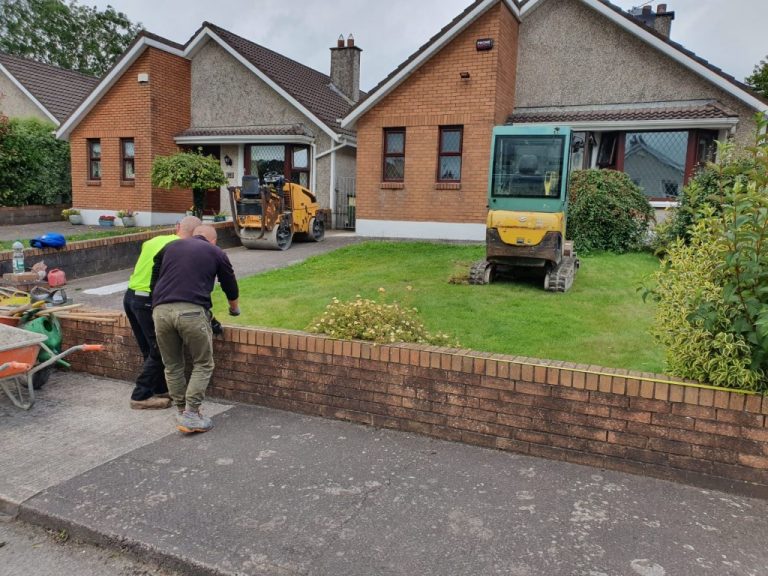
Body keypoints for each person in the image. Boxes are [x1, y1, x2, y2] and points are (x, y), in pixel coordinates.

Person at [150, 224, 240, 433]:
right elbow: (229, 283)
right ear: (213, 240)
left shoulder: (171, 246)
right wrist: (234, 309)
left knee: (172, 365)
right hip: (191, 312)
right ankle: (191, 413)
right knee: (203, 363)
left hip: (160, 311)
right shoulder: (216, 251)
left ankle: (182, 411)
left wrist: (157, 300)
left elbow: (155, 273)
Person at [123, 215, 201, 409]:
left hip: (131, 297)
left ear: (177, 227)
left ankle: (158, 389)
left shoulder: (154, 240)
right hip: (148, 300)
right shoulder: (182, 249)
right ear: (196, 234)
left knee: (149, 349)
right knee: (160, 349)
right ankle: (140, 396)